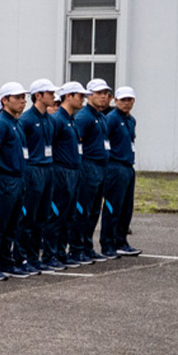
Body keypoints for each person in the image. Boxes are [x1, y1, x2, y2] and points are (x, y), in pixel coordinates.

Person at [0, 83, 30, 277]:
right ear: (5, 100)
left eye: (23, 97)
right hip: (3, 179)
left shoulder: (16, 123)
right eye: (17, 97)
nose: (22, 101)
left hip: (17, 178)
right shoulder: (0, 123)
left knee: (12, 224)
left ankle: (5, 261)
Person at [19, 81, 61, 271]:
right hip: (32, 169)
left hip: (47, 169)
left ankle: (35, 257)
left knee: (42, 217)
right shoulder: (26, 119)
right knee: (29, 217)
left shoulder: (50, 120)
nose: (53, 96)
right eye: (49, 93)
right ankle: (23, 257)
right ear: (38, 95)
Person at [73, 78, 114, 262]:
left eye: (105, 94)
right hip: (88, 166)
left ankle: (87, 245)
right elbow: (77, 141)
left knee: (94, 210)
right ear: (89, 95)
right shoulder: (84, 117)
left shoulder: (101, 117)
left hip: (101, 167)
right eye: (99, 93)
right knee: (84, 209)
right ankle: (78, 246)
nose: (103, 97)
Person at [51, 82, 87, 262]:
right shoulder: (58, 119)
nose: (83, 99)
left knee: (69, 215)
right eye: (80, 96)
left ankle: (62, 251)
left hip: (73, 171)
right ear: (68, 96)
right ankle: (54, 252)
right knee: (58, 214)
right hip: (61, 171)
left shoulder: (72, 119)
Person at [103, 87, 141, 254]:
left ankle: (121, 241)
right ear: (116, 100)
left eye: (129, 100)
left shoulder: (131, 120)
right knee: (113, 207)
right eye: (123, 100)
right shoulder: (111, 119)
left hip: (128, 166)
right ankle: (108, 243)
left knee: (126, 207)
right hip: (115, 165)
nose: (126, 103)